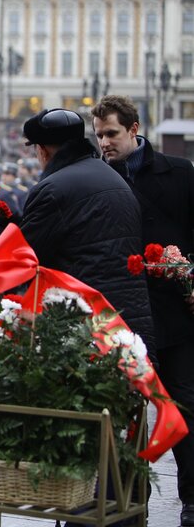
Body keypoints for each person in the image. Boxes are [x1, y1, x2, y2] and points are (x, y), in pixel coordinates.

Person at [91, 95, 194, 527]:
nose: (105, 143)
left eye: (112, 134)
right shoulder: (97, 179)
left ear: (134, 129)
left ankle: (192, 499)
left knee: (186, 407)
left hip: (177, 313)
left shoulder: (181, 174)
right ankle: (128, 500)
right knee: (123, 410)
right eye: (98, 136)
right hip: (125, 316)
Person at [18, 108, 154, 354]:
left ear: (42, 150)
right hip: (131, 318)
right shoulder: (115, 179)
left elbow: (26, 257)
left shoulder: (51, 189)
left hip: (87, 321)